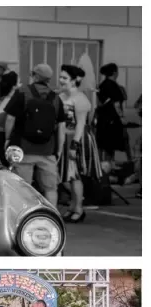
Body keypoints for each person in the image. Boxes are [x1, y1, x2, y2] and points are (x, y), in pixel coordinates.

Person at [4, 64, 67, 208]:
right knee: (51, 188)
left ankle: (23, 217)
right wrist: (58, 150)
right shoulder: (56, 98)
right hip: (47, 150)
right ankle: (52, 216)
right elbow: (61, 126)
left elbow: (10, 118)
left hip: (24, 149)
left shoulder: (22, 92)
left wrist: (8, 139)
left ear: (35, 76)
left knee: (23, 188)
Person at [58, 64, 101, 223]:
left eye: (65, 78)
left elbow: (81, 124)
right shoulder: (62, 96)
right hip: (64, 137)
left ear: (74, 80)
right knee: (66, 176)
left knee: (73, 175)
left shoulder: (80, 99)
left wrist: (74, 146)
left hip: (77, 138)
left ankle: (78, 208)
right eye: (61, 77)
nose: (61, 80)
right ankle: (73, 206)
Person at [96, 63, 127, 162]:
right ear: (114, 72)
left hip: (102, 119)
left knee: (103, 145)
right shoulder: (113, 85)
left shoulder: (102, 85)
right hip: (112, 119)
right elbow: (116, 103)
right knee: (112, 146)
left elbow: (100, 103)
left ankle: (102, 168)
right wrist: (121, 117)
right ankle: (111, 168)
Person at [0, 71, 19, 166]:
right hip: (2, 135)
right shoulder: (13, 101)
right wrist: (8, 139)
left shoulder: (2, 100)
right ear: (14, 86)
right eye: (18, 83)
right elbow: (9, 120)